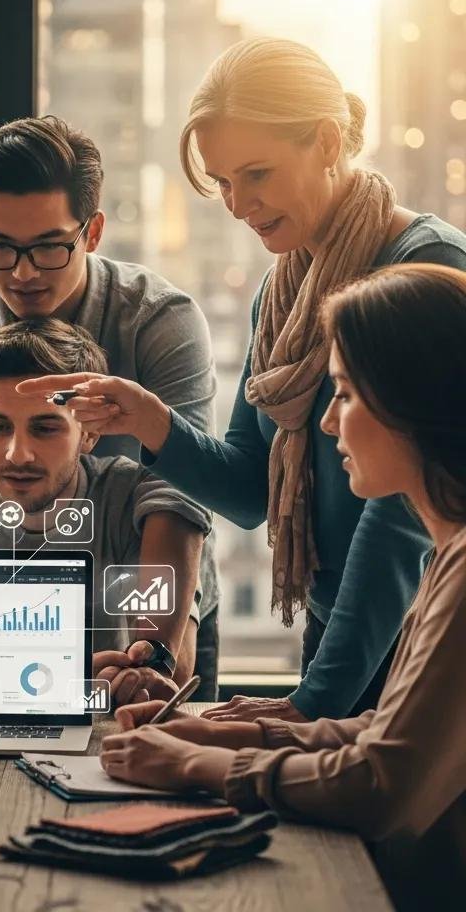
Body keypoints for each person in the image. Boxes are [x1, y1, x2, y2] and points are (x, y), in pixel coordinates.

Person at [19, 38, 466, 722]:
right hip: (339, 640)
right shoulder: (280, 295)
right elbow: (252, 490)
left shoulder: (424, 267)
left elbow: (401, 519)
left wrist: (311, 704)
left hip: (425, 644)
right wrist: (148, 419)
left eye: (255, 174)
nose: (236, 204)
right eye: (223, 182)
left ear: (325, 141)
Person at [99, 264, 466, 910]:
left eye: (345, 396)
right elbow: (385, 732)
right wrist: (223, 735)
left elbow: (381, 783)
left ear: (413, 405)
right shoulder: (449, 559)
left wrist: (194, 767)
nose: (327, 425)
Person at [0, 114, 219, 698]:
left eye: (50, 248)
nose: (23, 274)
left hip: (156, 595)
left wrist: (149, 654)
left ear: (92, 231)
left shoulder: (157, 319)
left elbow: (178, 496)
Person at [0, 318, 216, 701]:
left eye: (45, 428)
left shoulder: (140, 503)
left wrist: (140, 677)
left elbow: (168, 672)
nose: (17, 454)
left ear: (91, 432)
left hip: (105, 730)